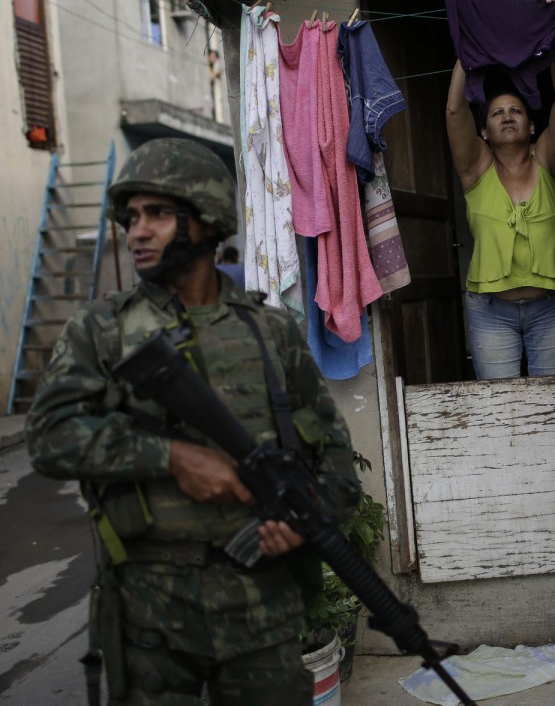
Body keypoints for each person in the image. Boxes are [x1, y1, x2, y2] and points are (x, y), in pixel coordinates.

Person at [25, 138, 361, 705]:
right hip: (150, 613)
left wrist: (306, 521)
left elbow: (333, 457)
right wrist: (171, 457)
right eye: (132, 217)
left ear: (206, 220)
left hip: (262, 609)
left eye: (158, 214)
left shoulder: (270, 333)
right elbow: (48, 436)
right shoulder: (101, 330)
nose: (137, 231)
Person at [446, 0, 555, 380]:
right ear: (483, 131)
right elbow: (455, 110)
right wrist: (474, 38)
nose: (507, 117)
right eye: (497, 113)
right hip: (490, 314)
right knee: (501, 417)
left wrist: (547, 39)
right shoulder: (475, 171)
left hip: (551, 309)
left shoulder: (550, 161)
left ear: (532, 124)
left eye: (517, 111)